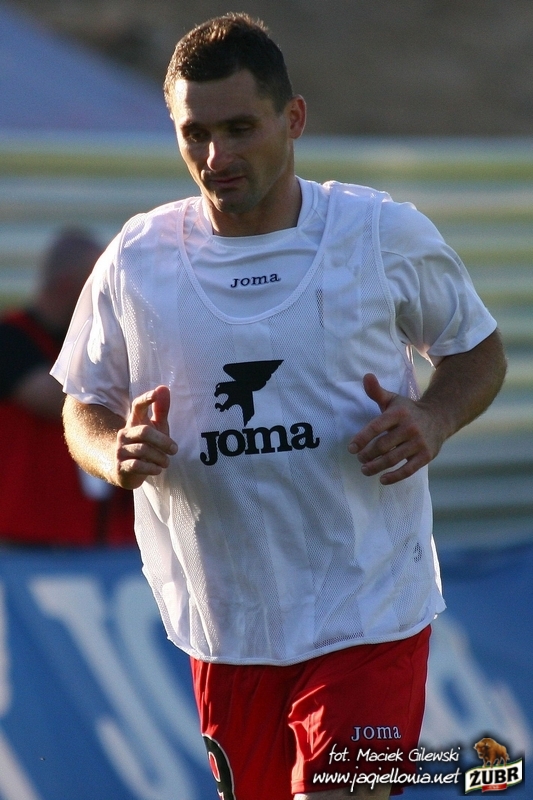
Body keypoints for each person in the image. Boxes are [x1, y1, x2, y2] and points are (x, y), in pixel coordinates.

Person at [51, 14, 506, 799]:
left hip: (369, 615)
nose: (216, 157)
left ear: (292, 118)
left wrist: (431, 419)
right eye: (195, 134)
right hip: (229, 631)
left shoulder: (377, 234)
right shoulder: (138, 258)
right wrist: (113, 452)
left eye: (239, 129)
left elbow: (477, 352)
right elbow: (83, 403)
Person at [0, 228, 135, 547]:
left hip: (104, 536)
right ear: (67, 286)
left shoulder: (93, 344)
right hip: (27, 538)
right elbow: (55, 400)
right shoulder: (11, 339)